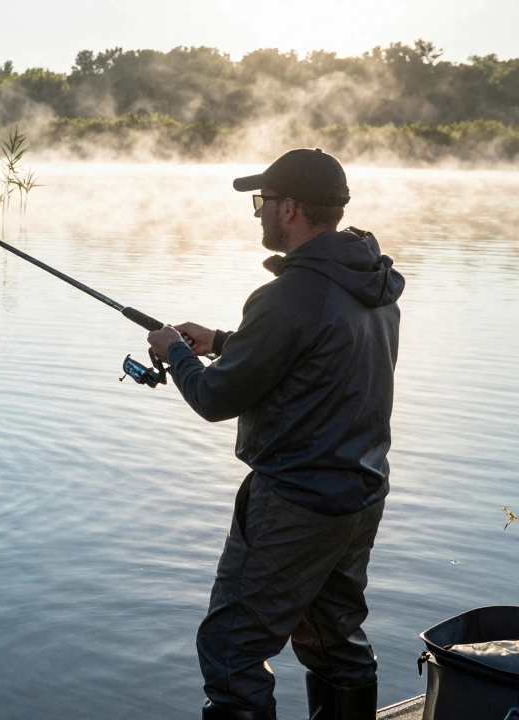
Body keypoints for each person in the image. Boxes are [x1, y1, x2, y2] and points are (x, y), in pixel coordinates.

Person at [145, 149, 404, 720]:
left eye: (262, 203)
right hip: (358, 496)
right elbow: (313, 354)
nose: (257, 214)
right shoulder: (371, 281)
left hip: (294, 505)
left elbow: (215, 399)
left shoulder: (289, 295)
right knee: (336, 645)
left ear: (290, 208)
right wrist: (220, 340)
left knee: (231, 652)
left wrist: (176, 354)